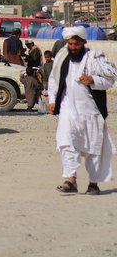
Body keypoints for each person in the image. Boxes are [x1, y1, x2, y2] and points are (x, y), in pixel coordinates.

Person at [47, 27, 116, 195]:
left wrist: (93, 80)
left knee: (94, 146)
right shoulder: (62, 58)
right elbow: (54, 80)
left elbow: (110, 79)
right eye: (70, 43)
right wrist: (52, 99)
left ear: (83, 43)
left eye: (76, 44)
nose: (72, 47)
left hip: (90, 110)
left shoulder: (94, 58)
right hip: (67, 107)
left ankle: (93, 183)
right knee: (66, 141)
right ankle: (70, 180)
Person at [22, 42, 44, 112]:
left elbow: (33, 60)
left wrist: (26, 56)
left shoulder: (35, 50)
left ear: (31, 44)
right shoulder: (32, 50)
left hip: (35, 71)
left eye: (28, 45)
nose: (28, 46)